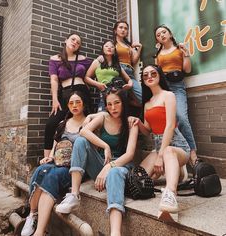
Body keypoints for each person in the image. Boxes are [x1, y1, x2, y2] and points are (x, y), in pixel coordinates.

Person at [56, 89, 139, 236]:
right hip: (101, 167)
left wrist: (109, 166)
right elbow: (83, 132)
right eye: (109, 104)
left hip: (121, 167)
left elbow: (130, 154)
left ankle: (115, 232)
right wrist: (105, 146)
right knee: (81, 142)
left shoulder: (131, 122)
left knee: (114, 172)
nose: (113, 108)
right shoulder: (103, 117)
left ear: (123, 103)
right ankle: (74, 195)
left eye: (117, 103)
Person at [21, 91, 89, 236]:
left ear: (84, 103)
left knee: (53, 175)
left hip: (74, 168)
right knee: (41, 169)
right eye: (71, 103)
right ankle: (32, 214)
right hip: (58, 162)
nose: (74, 106)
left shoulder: (89, 122)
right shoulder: (62, 124)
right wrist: (49, 157)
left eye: (78, 102)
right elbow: (55, 146)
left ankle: (39, 232)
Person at [131, 65, 190, 219]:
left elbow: (170, 126)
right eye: (145, 75)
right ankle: (175, 172)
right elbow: (148, 131)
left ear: (159, 76)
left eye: (153, 73)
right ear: (143, 81)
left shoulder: (168, 95)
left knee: (169, 152)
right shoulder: (147, 103)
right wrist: (139, 123)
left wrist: (160, 156)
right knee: (138, 178)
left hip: (177, 146)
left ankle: (170, 194)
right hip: (158, 148)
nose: (149, 76)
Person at [154, 25, 197, 166]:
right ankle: (175, 155)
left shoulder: (180, 48)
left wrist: (186, 54)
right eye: (158, 34)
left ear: (170, 33)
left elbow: (187, 69)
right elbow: (157, 73)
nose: (161, 35)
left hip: (177, 86)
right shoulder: (158, 53)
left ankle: (192, 153)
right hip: (164, 87)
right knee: (168, 122)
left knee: (182, 118)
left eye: (164, 32)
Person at [44, 33, 92, 158]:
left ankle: (88, 157)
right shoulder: (55, 59)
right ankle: (46, 159)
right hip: (65, 95)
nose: (75, 42)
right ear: (66, 40)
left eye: (78, 42)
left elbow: (93, 72)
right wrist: (54, 99)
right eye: (73, 39)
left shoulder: (83, 59)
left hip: (82, 95)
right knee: (51, 124)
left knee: (87, 125)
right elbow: (54, 80)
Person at [85, 40, 133, 111]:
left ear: (114, 50)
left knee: (119, 115)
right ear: (103, 49)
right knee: (102, 113)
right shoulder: (97, 62)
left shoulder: (117, 64)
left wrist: (129, 85)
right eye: (106, 46)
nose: (109, 48)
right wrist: (98, 84)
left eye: (112, 47)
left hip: (118, 92)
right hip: (105, 92)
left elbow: (129, 79)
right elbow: (86, 78)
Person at [113, 20, 143, 108]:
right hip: (119, 72)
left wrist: (140, 48)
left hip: (130, 73)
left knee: (141, 98)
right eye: (121, 27)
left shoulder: (128, 46)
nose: (123, 30)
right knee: (121, 99)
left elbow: (133, 61)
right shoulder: (113, 44)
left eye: (126, 28)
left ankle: (129, 101)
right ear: (115, 30)